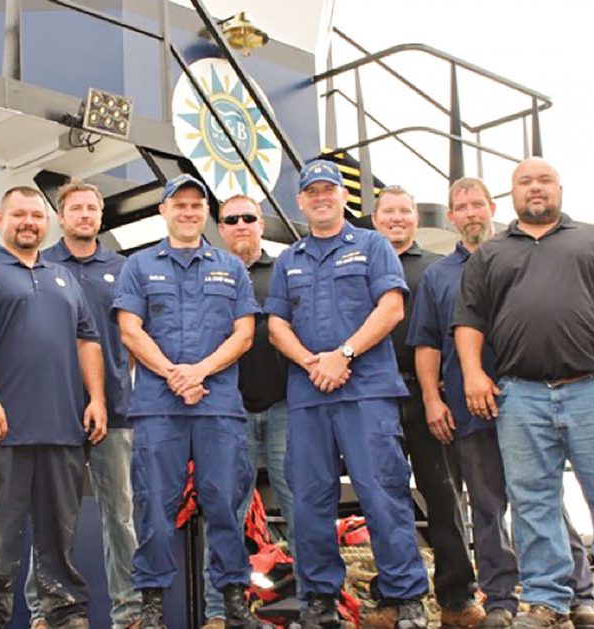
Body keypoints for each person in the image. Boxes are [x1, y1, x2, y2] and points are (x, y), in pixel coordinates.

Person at [453, 158, 594, 629]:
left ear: (559, 189)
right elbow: (468, 323)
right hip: (519, 396)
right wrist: (473, 376)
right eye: (525, 182)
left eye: (544, 180)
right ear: (513, 195)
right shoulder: (492, 254)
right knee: (532, 501)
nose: (535, 189)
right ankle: (545, 601)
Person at [407, 177, 594, 629]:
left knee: (544, 500)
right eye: (461, 206)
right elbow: (427, 346)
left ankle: (577, 595)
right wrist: (433, 399)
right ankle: (500, 600)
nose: (471, 212)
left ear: (492, 208)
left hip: (532, 399)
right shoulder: (438, 276)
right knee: (487, 505)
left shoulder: (521, 256)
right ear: (451, 216)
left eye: (478, 204)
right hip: (469, 408)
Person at [267, 159, 428, 629]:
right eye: (311, 191)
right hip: (309, 395)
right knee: (310, 500)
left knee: (383, 495)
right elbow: (276, 325)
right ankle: (320, 600)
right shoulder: (288, 261)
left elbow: (392, 308)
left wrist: (344, 354)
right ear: (301, 201)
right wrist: (310, 361)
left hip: (366, 394)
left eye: (328, 189)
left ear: (343, 197)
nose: (320, 197)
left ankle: (407, 597)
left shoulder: (373, 245)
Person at [112, 174, 267, 629]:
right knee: (154, 506)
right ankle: (154, 603)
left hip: (217, 405)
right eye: (179, 204)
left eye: (197, 205)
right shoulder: (138, 267)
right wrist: (174, 375)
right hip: (160, 407)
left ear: (205, 214)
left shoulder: (231, 268)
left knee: (224, 504)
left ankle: (234, 599)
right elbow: (130, 330)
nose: (188, 212)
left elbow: (244, 333)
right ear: (163, 211)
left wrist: (198, 372)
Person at [0, 187, 107, 629]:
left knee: (59, 533)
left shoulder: (63, 276)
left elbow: (87, 339)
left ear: (47, 223)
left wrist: (96, 398)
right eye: (19, 214)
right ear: (0, 218)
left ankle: (64, 611)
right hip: (2, 427)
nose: (28, 222)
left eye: (36, 216)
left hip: (63, 429)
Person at [23, 180, 141, 629]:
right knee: (54, 519)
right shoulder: (41, 263)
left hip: (116, 412)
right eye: (76, 208)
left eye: (92, 208)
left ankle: (129, 612)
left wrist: (113, 380)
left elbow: (129, 338)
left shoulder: (123, 268)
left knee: (122, 515)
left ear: (101, 215)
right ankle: (46, 612)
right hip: (55, 412)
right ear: (61, 215)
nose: (85, 215)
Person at [370, 186, 484, 627]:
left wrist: (439, 393)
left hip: (429, 396)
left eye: (404, 211)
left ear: (416, 218)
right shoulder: (361, 265)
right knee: (383, 501)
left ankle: (456, 598)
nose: (396, 218)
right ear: (375, 219)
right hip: (375, 397)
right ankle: (393, 596)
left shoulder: (436, 269)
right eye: (388, 212)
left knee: (444, 498)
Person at [201, 195, 294, 628]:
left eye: (248, 218)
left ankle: (313, 602)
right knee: (225, 513)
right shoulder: (206, 272)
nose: (240, 225)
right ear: (220, 228)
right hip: (226, 412)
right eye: (231, 219)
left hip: (284, 408)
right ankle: (220, 611)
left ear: (262, 223)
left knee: (300, 508)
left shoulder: (286, 270)